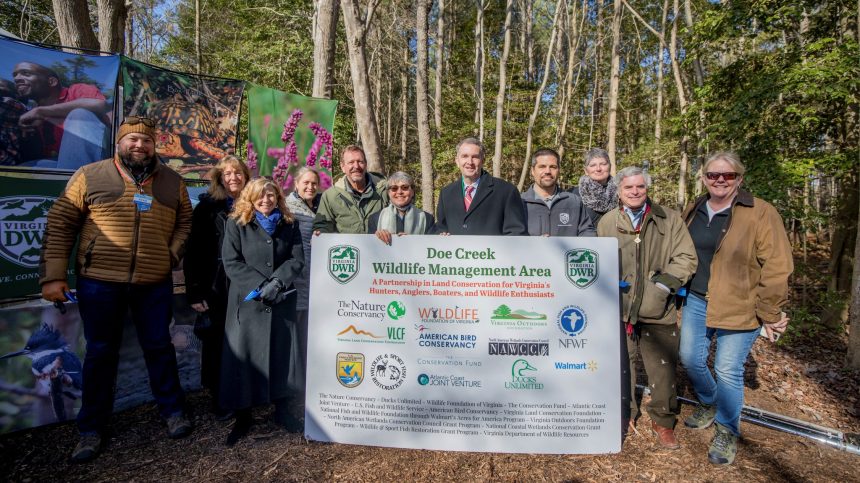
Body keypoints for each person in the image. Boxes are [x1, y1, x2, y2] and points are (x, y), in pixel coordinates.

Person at [39, 116, 193, 463]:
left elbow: (185, 221)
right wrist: (52, 276)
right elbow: (61, 222)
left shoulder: (172, 182)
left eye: (147, 141)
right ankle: (90, 429)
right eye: (133, 140)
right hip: (99, 282)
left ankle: (173, 412)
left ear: (155, 147)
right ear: (120, 144)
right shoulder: (90, 175)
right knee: (100, 352)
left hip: (153, 282)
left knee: (159, 347)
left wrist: (171, 253)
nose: (140, 146)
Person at [679, 152, 793, 465]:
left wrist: (770, 312)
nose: (719, 180)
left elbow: (778, 265)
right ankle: (710, 401)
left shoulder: (760, 212)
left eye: (727, 176)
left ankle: (727, 429)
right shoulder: (695, 208)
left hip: (741, 306)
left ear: (739, 179)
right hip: (697, 299)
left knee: (727, 370)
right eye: (713, 175)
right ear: (703, 178)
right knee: (690, 357)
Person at [596, 166, 697, 449]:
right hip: (619, 308)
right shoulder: (607, 222)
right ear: (619, 191)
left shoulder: (669, 220)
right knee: (620, 365)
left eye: (640, 187)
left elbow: (686, 257)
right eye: (628, 188)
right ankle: (624, 412)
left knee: (662, 368)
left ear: (647, 189)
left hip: (657, 309)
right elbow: (598, 260)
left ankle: (663, 421)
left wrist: (663, 287)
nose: (635, 192)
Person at [220, 178, 305, 445]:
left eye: (271, 195)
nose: (266, 200)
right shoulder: (236, 223)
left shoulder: (290, 224)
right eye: (261, 195)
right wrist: (261, 286)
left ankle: (283, 410)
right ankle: (243, 415)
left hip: (281, 300)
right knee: (244, 357)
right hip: (248, 303)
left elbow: (296, 258)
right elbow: (231, 261)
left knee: (282, 355)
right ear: (250, 197)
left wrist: (278, 282)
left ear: (278, 197)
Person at [183, 155, 250, 419]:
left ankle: (243, 392)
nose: (233, 178)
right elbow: (194, 251)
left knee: (243, 340)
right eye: (228, 174)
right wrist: (194, 290)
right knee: (217, 342)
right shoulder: (208, 207)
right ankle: (219, 396)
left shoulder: (255, 203)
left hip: (245, 283)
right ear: (219, 178)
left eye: (238, 173)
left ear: (246, 175)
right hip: (216, 284)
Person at [13, 62, 111, 169]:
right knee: (20, 170)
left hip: (97, 162)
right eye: (15, 75)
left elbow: (100, 105)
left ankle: (78, 183)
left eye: (26, 73)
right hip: (59, 164)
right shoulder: (30, 115)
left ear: (52, 81)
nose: (17, 78)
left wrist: (41, 112)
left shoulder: (77, 90)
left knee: (79, 114)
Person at [435, 137, 527, 235]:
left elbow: (516, 232)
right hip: (457, 250)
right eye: (464, 156)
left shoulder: (506, 191)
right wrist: (441, 235)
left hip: (492, 250)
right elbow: (441, 228)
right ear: (457, 161)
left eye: (475, 157)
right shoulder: (446, 193)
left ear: (483, 160)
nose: (470, 162)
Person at [285, 167, 321, 397]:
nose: (310, 187)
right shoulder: (288, 209)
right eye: (306, 183)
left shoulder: (319, 206)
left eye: (314, 183)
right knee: (296, 334)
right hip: (297, 280)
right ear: (296, 184)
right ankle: (295, 388)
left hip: (317, 280)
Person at [312, 145, 387, 234]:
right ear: (342, 167)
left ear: (366, 164)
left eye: (360, 162)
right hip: (348, 247)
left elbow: (399, 216)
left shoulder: (385, 190)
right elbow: (323, 225)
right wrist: (320, 232)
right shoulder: (330, 196)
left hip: (380, 247)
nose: (356, 166)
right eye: (351, 162)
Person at [521, 148, 596, 237]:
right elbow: (512, 238)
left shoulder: (574, 202)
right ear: (532, 171)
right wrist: (535, 244)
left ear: (559, 170)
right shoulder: (519, 203)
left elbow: (587, 232)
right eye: (542, 167)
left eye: (553, 167)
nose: (548, 171)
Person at [368, 171, 436, 244]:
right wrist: (378, 237)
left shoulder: (427, 219)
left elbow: (430, 247)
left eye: (405, 187)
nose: (399, 192)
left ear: (412, 191)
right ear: (388, 193)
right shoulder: (375, 219)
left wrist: (410, 242)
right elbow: (371, 247)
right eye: (394, 188)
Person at [573, 148, 617, 225]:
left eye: (603, 164)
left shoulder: (622, 193)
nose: (598, 169)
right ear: (586, 171)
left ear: (610, 167)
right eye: (593, 165)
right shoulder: (573, 195)